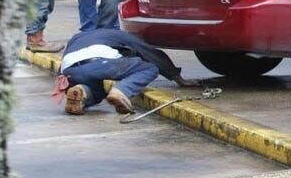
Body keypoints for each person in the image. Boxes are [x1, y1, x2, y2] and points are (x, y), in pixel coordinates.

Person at [58, 28, 199, 115]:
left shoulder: (78, 37)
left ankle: (82, 92)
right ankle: (121, 91)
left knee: (99, 90)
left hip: (70, 70)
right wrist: (176, 76)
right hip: (99, 62)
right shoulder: (120, 34)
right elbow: (150, 53)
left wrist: (67, 83)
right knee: (149, 68)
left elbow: (62, 66)